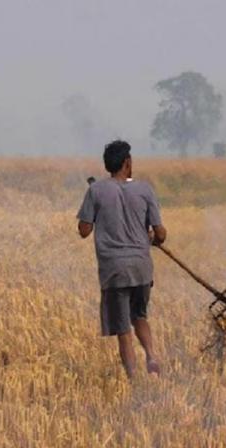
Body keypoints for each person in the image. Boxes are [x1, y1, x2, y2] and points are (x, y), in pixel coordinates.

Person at [77, 140, 167, 378]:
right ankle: (151, 356)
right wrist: (150, 236)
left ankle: (133, 379)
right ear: (127, 163)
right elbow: (160, 234)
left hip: (114, 270)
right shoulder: (145, 189)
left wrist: (97, 215)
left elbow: (84, 230)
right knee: (140, 316)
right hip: (141, 268)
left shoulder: (96, 191)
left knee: (123, 328)